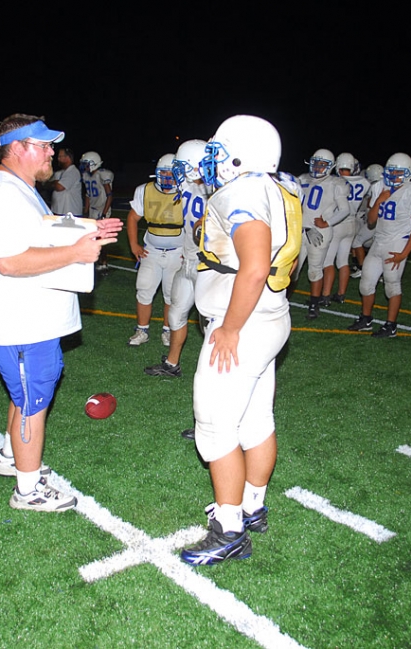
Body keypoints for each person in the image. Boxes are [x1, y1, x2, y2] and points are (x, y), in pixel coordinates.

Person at [0, 113, 123, 511]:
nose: (52, 152)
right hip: (17, 320)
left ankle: (9, 457)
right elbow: (8, 261)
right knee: (32, 400)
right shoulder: (3, 193)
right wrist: (76, 252)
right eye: (44, 145)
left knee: (27, 393)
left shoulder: (17, 187)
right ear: (18, 148)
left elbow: (43, 229)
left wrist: (89, 230)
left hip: (28, 318)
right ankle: (27, 490)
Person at [180, 115, 301, 565]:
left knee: (214, 427)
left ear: (238, 154)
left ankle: (228, 529)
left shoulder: (242, 191)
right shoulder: (277, 186)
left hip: (243, 320)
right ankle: (253, 505)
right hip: (271, 316)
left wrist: (229, 327)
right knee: (255, 421)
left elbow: (252, 266)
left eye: (218, 149)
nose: (211, 159)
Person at [347, 153, 411, 337]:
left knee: (392, 286)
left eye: (398, 172)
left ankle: (391, 325)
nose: (393, 176)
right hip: (379, 241)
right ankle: (366, 319)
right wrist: (379, 201)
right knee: (366, 284)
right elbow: (370, 220)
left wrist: (404, 254)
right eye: (391, 172)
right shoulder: (380, 188)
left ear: (408, 173)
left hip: (397, 244)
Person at [144, 139, 209, 380]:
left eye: (181, 166)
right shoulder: (188, 186)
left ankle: (214, 372)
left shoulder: (218, 190)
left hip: (210, 266)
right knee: (176, 314)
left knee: (211, 322)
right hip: (189, 261)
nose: (177, 172)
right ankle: (172, 364)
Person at [125, 154, 183, 346]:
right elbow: (133, 218)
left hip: (177, 251)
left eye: (171, 173)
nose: (167, 177)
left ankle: (167, 330)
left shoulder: (187, 191)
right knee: (144, 290)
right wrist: (134, 244)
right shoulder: (144, 190)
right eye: (163, 172)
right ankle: (142, 330)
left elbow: (195, 224)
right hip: (152, 250)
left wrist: (190, 249)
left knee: (171, 294)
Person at [295, 148, 350, 319]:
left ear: (330, 166)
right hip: (300, 230)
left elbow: (344, 210)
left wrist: (327, 222)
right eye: (315, 163)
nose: (317, 167)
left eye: (322, 164)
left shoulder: (335, 184)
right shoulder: (302, 179)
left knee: (314, 270)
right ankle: (283, 300)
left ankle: (314, 304)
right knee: (292, 269)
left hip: (319, 232)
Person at [323, 152, 369, 304]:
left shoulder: (335, 181)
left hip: (338, 223)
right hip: (353, 223)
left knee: (327, 261)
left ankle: (325, 296)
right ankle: (341, 294)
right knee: (342, 260)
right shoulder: (364, 182)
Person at [80, 151, 114, 273]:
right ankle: (95, 259)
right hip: (93, 210)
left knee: (101, 237)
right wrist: (86, 210)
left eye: (87, 164)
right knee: (91, 236)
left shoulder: (102, 174)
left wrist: (104, 213)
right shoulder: (86, 176)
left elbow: (109, 195)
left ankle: (103, 263)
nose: (85, 167)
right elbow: (88, 195)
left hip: (101, 209)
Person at [350, 163, 383, 278]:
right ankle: (381, 274)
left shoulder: (375, 187)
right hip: (387, 223)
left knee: (357, 241)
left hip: (375, 220)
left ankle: (361, 268)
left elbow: (371, 206)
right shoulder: (389, 185)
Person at [42, 147, 83, 216]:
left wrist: (54, 183)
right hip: (59, 211)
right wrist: (54, 183)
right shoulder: (60, 172)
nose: (58, 159)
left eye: (60, 156)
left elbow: (59, 187)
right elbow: (46, 185)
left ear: (67, 158)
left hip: (70, 213)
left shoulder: (72, 171)